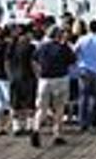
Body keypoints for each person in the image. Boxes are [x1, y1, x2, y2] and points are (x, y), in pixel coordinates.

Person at [31, 21, 75, 149]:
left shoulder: (41, 47)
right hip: (60, 78)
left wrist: (38, 74)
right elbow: (72, 61)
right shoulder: (63, 47)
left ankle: (36, 129)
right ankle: (57, 134)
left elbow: (34, 60)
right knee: (59, 108)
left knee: (41, 108)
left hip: (44, 80)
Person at [73, 20, 96, 132]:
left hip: (83, 70)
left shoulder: (81, 39)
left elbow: (75, 52)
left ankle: (82, 123)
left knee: (83, 97)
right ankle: (94, 124)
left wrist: (79, 63)